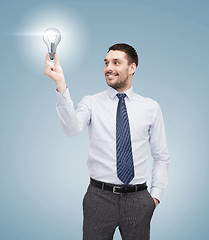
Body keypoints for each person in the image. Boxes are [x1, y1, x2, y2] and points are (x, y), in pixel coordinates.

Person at [43, 43, 170, 240]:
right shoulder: (91, 102)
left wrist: (155, 197)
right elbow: (71, 129)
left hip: (138, 199)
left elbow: (161, 157)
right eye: (106, 63)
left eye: (116, 62)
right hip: (99, 198)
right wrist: (60, 83)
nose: (108, 68)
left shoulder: (151, 107)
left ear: (132, 68)